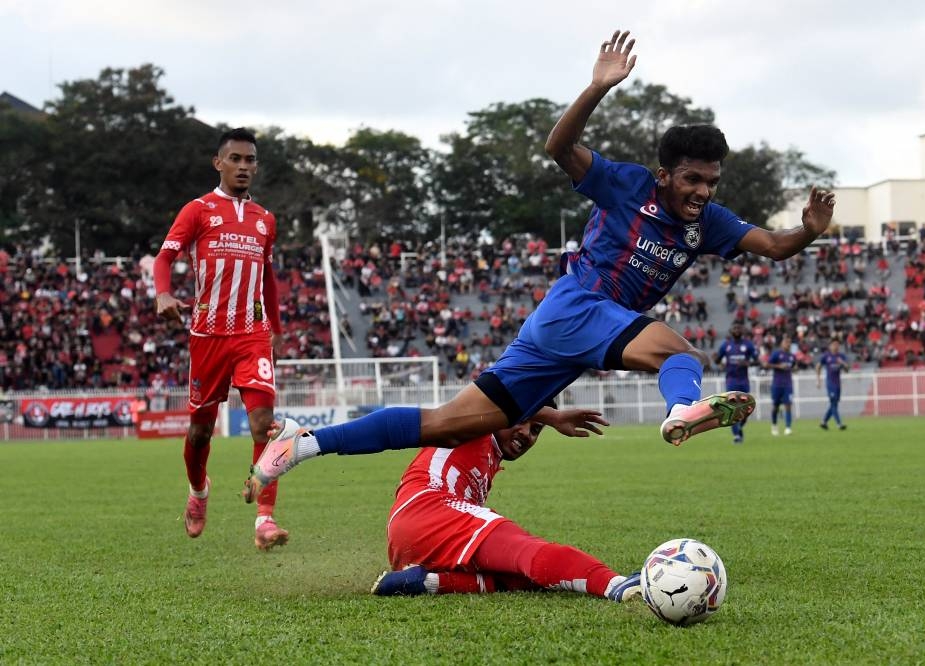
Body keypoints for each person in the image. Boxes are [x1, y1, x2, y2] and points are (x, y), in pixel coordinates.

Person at [242, 29, 835, 502]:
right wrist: (597, 87)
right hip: (578, 307)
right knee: (681, 355)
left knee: (448, 423)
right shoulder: (627, 185)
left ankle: (305, 443)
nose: (703, 190)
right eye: (692, 178)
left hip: (569, 336)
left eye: (711, 181)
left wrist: (807, 230)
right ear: (665, 175)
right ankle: (681, 407)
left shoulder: (712, 223)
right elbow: (558, 148)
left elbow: (777, 245)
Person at [154, 127, 289, 550]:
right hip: (208, 336)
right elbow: (165, 257)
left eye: (250, 160)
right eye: (236, 159)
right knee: (198, 433)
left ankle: (264, 521)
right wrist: (163, 292)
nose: (244, 167)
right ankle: (198, 492)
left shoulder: (266, 220)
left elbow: (267, 278)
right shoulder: (197, 210)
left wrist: (277, 330)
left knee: (265, 426)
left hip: (252, 335)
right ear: (219, 163)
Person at [369, 414, 640, 601]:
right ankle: (614, 584)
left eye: (536, 429)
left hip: (410, 533)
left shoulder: (490, 454)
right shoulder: (477, 426)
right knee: (526, 552)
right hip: (429, 508)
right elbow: (495, 392)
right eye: (522, 420)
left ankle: (427, 583)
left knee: (521, 578)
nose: (526, 433)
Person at [715, 323, 758, 444]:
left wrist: (747, 363)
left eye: (738, 328)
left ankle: (740, 426)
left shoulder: (748, 345)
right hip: (731, 380)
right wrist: (716, 360)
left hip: (744, 381)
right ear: (730, 331)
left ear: (742, 330)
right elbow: (717, 360)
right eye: (734, 328)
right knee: (733, 407)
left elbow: (757, 361)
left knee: (745, 409)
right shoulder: (726, 345)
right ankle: (737, 435)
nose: (736, 330)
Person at [764, 337, 796, 436]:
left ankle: (788, 428)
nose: (788, 344)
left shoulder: (792, 356)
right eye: (786, 342)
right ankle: (774, 425)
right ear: (782, 343)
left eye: (789, 342)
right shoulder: (776, 354)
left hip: (788, 384)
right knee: (775, 407)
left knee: (788, 406)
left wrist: (795, 368)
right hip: (777, 384)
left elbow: (794, 366)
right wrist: (778, 366)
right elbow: (766, 365)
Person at [816, 340, 849, 430]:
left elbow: (847, 370)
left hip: (838, 383)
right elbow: (818, 366)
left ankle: (824, 421)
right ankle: (839, 423)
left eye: (837, 344)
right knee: (833, 404)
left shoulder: (841, 356)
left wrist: (842, 363)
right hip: (830, 383)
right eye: (834, 344)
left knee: (834, 404)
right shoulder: (826, 356)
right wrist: (818, 380)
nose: (836, 346)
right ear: (830, 346)